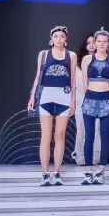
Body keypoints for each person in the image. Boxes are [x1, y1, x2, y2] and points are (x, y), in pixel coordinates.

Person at [27, 25, 78, 186]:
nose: (59, 39)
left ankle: (56, 173)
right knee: (46, 135)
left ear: (66, 39)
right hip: (46, 96)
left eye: (62, 36)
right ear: (51, 38)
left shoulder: (71, 55)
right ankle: (44, 173)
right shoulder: (44, 54)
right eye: (56, 36)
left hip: (64, 96)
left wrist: (73, 101)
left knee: (60, 135)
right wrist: (32, 97)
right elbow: (38, 76)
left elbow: (73, 80)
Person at [79, 29, 109, 185]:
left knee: (104, 136)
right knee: (89, 136)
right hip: (90, 99)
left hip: (106, 99)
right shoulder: (87, 59)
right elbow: (85, 81)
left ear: (108, 43)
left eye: (104, 41)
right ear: (94, 43)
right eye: (99, 41)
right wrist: (90, 94)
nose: (101, 44)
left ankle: (101, 171)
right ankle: (88, 172)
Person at [72, 32, 95, 167]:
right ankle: (80, 156)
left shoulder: (104, 60)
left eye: (93, 42)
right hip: (81, 99)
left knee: (97, 129)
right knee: (81, 128)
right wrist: (74, 101)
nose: (91, 45)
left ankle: (95, 156)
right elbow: (74, 85)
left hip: (98, 99)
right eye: (88, 43)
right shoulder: (77, 63)